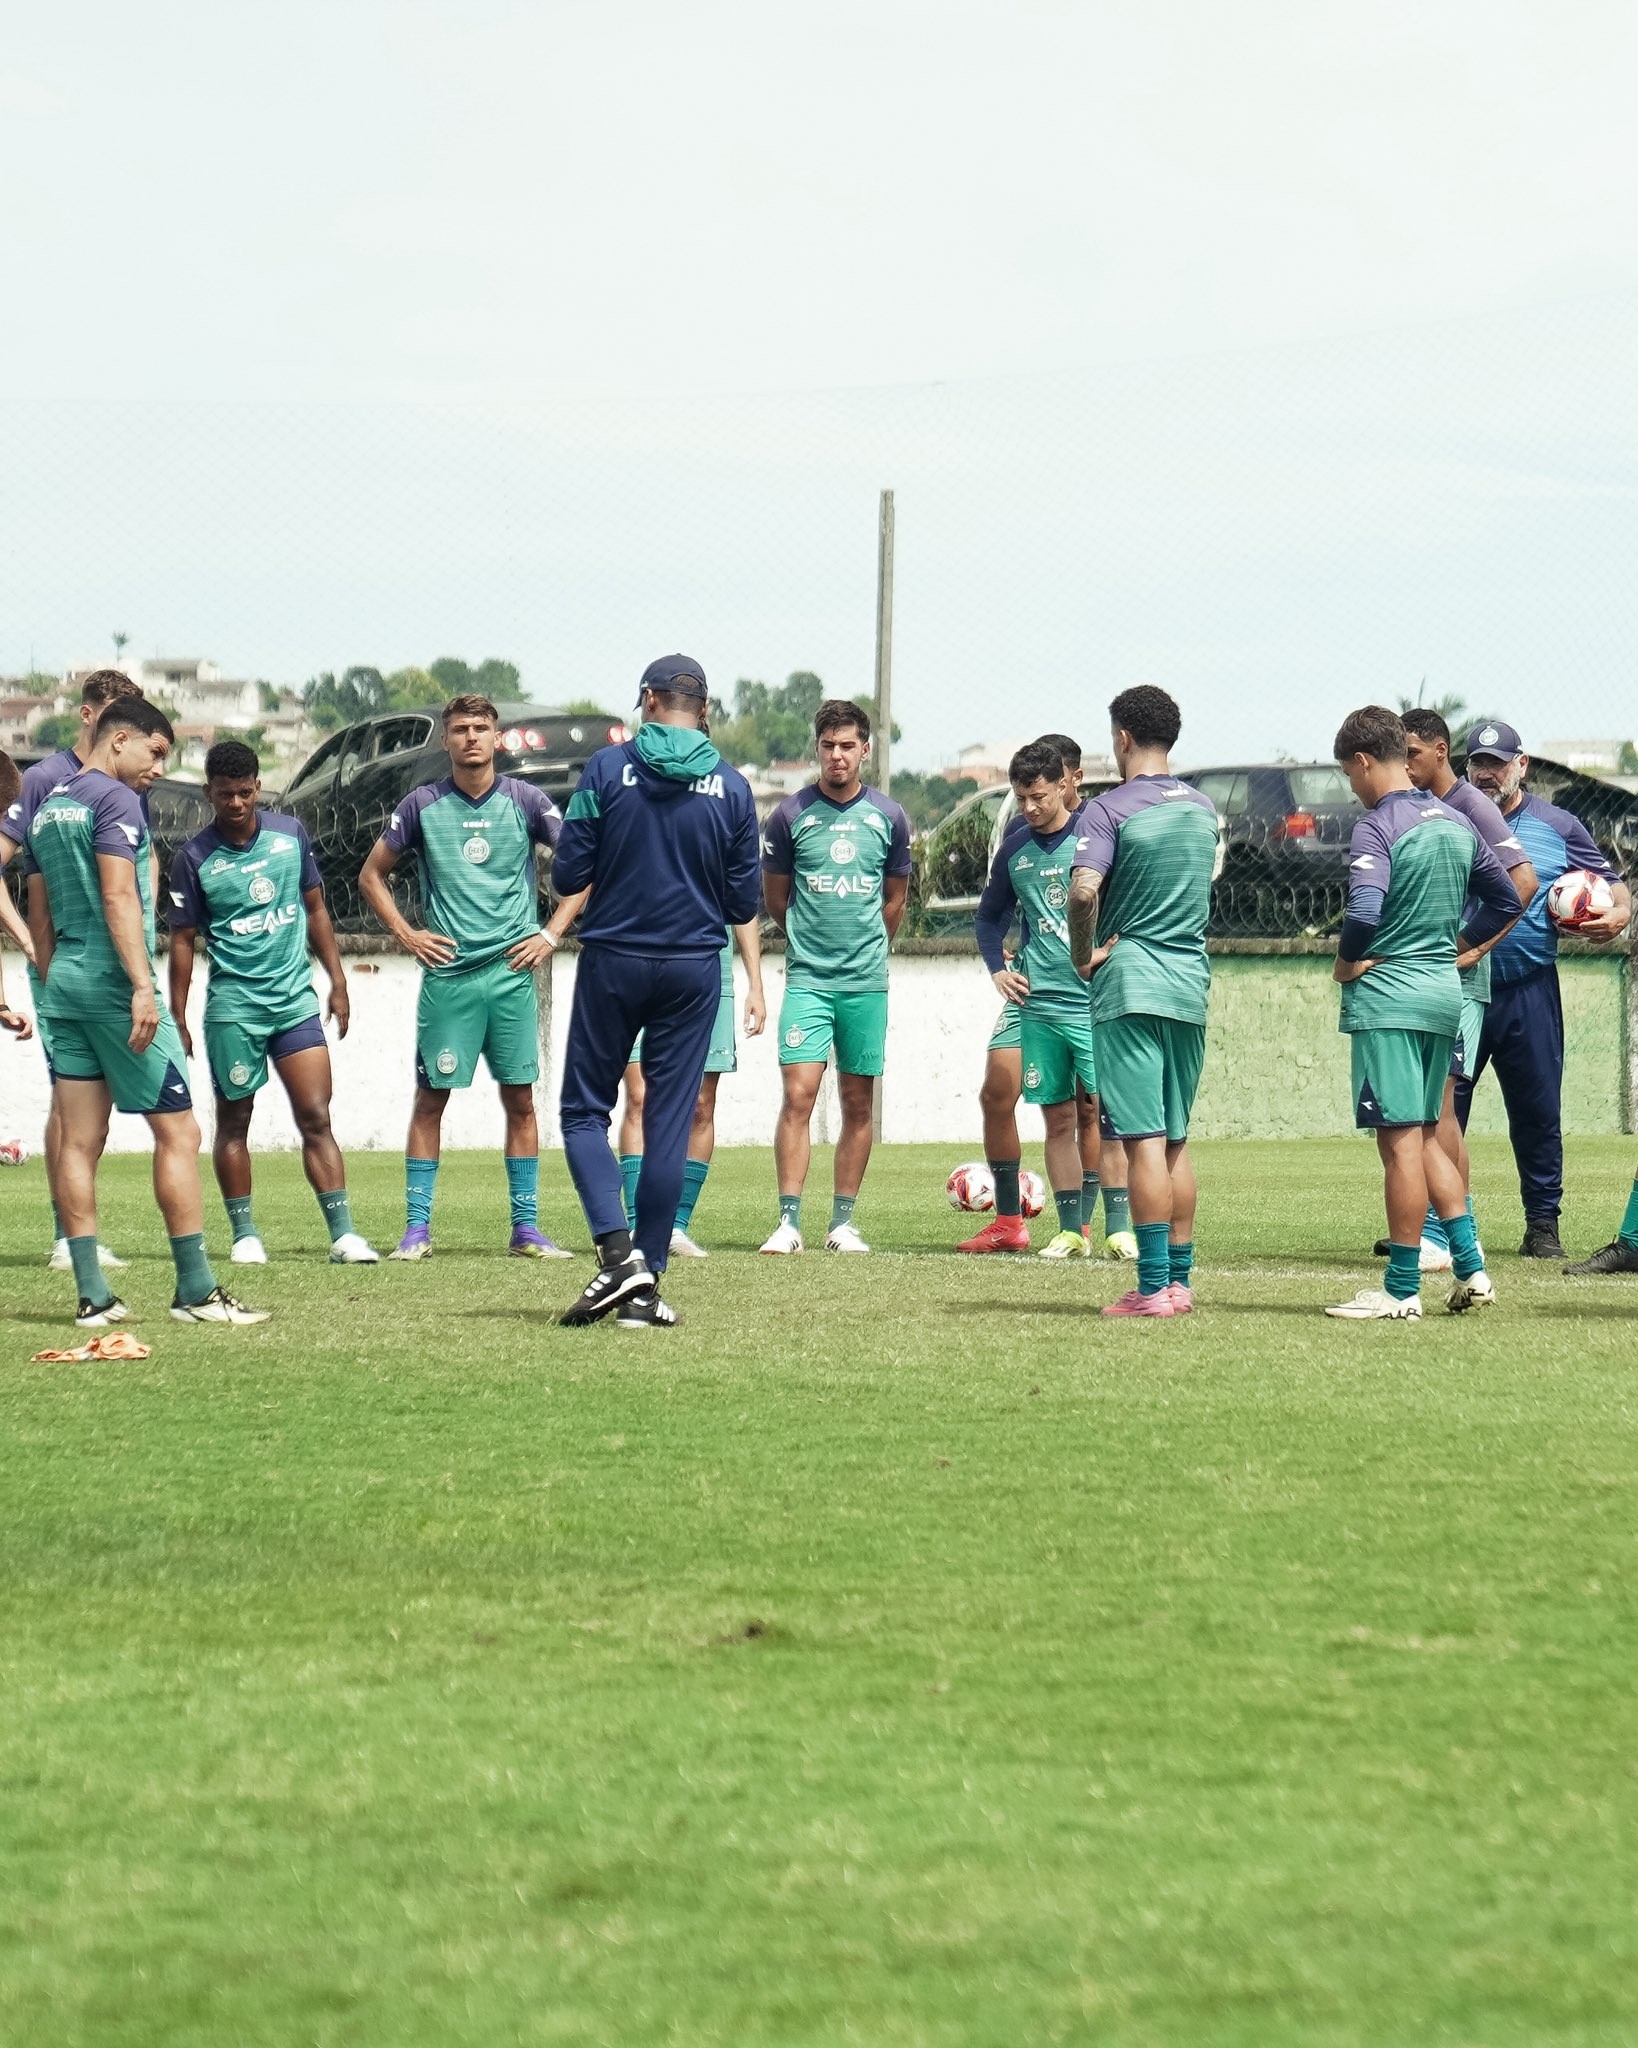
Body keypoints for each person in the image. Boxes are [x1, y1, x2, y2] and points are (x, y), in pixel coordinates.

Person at [24, 696, 268, 1325]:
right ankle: (195, 1290)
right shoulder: (114, 799)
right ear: (119, 738)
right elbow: (118, 895)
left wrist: (51, 977)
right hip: (112, 985)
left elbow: (39, 905)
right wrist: (140, 985)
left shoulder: (51, 804)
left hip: (64, 988)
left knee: (77, 1141)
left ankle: (91, 1296)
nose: (159, 768)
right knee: (179, 1132)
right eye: (155, 752)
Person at [552, 653, 761, 1328]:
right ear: (703, 709)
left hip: (613, 957)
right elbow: (742, 898)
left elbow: (568, 874)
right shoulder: (732, 788)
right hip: (695, 967)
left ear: (648, 698)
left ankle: (618, 1260)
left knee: (586, 1112)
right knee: (669, 1125)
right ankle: (646, 1288)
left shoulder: (607, 771)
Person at [1323, 707, 1523, 1321]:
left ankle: (1402, 1289)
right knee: (1433, 1132)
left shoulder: (1378, 825)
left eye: (1348, 775)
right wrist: (1455, 948)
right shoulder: (1454, 820)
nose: (1352, 788)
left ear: (1363, 761)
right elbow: (1507, 897)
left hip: (1392, 1001)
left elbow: (1362, 912)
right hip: (1443, 996)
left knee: (1400, 1143)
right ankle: (1473, 1267)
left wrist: (1347, 961)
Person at [359, 693, 569, 1261]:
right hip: (449, 979)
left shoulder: (526, 801)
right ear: (447, 740)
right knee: (431, 1101)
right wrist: (407, 935)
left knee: (521, 1102)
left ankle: (526, 1230)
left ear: (496, 737)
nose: (471, 737)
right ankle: (416, 1231)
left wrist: (551, 934)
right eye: (460, 729)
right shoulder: (422, 804)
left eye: (480, 727)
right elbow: (371, 876)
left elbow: (585, 865)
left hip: (511, 973)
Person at [167, 739, 377, 1266]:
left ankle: (343, 1235)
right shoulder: (194, 858)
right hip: (234, 1009)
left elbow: (315, 910)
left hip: (293, 1003)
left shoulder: (290, 836)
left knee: (316, 1116)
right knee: (235, 1121)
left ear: (259, 788)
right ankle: (245, 1236)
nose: (235, 804)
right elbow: (183, 942)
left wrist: (338, 980)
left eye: (244, 793)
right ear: (208, 794)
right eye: (224, 796)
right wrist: (178, 1014)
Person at [1455, 721, 1630, 1258]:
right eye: (1478, 763)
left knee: (1537, 1112)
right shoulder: (1448, 817)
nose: (1487, 773)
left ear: (1521, 765)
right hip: (1460, 986)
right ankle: (1438, 1227)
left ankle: (1542, 1227)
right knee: (1442, 1110)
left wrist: (1619, 914)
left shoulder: (1558, 823)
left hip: (1529, 989)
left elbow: (1615, 886)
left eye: (1498, 763)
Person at [1070, 685, 1219, 1317]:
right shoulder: (1204, 808)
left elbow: (1082, 892)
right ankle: (1179, 1283)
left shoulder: (1108, 809)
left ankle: (1153, 1287)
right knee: (1177, 1140)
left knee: (1143, 1143)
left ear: (1123, 738)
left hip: (1130, 982)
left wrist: (1081, 955)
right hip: (1189, 981)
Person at [0, 668, 149, 1274]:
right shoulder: (41, 780)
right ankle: (68, 1238)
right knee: (70, 1101)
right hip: (65, 967)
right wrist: (32, 950)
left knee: (98, 1105)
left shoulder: (129, 783)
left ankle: (79, 1237)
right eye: (114, 713)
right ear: (89, 716)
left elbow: (139, 874)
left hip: (118, 968)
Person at [759, 699, 912, 1254]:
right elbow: (776, 899)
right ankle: (788, 1222)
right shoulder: (788, 815)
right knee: (798, 1095)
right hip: (808, 980)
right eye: (828, 746)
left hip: (866, 982)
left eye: (848, 746)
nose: (837, 756)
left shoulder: (889, 817)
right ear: (816, 750)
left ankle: (842, 1222)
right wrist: (812, 940)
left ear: (865, 750)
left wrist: (868, 947)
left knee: (858, 1102)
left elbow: (894, 899)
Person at [974, 732, 1135, 1258]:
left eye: (1038, 796)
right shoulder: (1017, 844)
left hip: (1092, 1003)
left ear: (1066, 785)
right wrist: (998, 968)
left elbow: (1129, 905)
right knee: (1055, 1116)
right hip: (1037, 1003)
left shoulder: (1097, 837)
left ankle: (1116, 1227)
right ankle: (1065, 1229)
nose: (1029, 807)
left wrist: (1114, 949)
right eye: (1021, 797)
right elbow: (989, 915)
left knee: (1104, 1116)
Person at [1391, 710, 1535, 1269]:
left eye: (1414, 754)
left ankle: (1446, 1233)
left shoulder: (1470, 805)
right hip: (1427, 977)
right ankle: (1447, 1232)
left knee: (1442, 1110)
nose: (1405, 764)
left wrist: (1472, 948)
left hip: (1457, 979)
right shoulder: (1416, 807)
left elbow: (1522, 881)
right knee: (1429, 1108)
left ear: (1441, 750)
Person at [616, 919, 767, 1257]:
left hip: (711, 972)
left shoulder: (728, 861)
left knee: (701, 1105)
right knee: (641, 1096)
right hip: (642, 967)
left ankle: (676, 1226)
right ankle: (636, 1223)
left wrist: (755, 984)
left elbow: (743, 908)